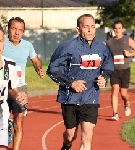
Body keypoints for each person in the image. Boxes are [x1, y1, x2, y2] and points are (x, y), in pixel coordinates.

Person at [47, 14, 114, 150]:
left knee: (87, 135)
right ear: (78, 29)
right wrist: (71, 83)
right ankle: (66, 146)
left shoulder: (102, 48)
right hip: (70, 98)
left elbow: (107, 67)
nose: (90, 30)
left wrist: (104, 77)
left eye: (93, 27)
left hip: (91, 97)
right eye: (86, 27)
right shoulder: (67, 47)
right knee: (71, 135)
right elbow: (52, 70)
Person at [2, 17, 45, 150]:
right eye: (14, 29)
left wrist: (39, 69)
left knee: (19, 121)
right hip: (2, 86)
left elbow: (36, 60)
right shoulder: (2, 44)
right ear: (8, 29)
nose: (16, 33)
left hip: (19, 87)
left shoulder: (28, 45)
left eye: (20, 30)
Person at [106, 20, 135, 121]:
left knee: (123, 93)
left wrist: (129, 54)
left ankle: (126, 103)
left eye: (119, 28)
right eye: (115, 28)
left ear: (123, 29)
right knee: (115, 90)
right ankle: (115, 113)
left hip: (125, 69)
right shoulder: (109, 42)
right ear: (113, 29)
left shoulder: (128, 40)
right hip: (114, 70)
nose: (117, 30)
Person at [0, 25, 27, 150]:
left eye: (0, 41)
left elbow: (11, 88)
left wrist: (19, 95)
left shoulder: (9, 65)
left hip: (2, 113)